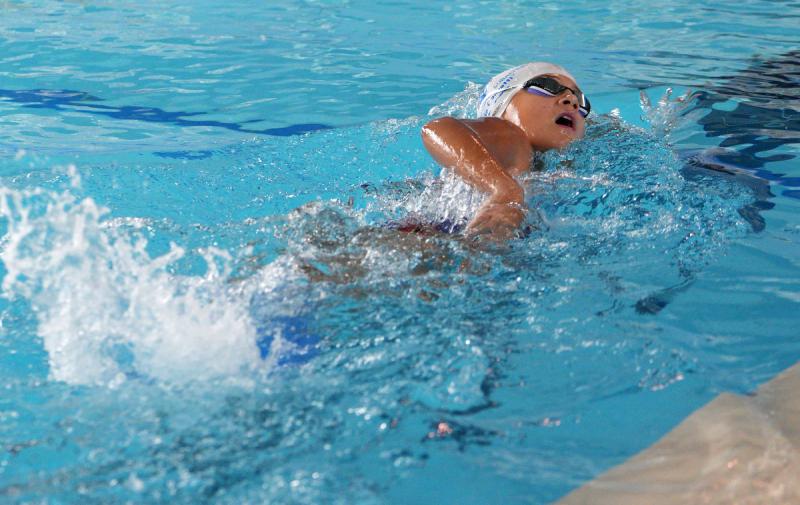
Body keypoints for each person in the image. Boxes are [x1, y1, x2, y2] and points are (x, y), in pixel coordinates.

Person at [421, 62, 590, 241]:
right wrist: (505, 190)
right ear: (502, 105)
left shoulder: (544, 167)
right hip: (426, 238)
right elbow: (438, 129)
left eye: (581, 101)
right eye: (549, 86)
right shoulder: (512, 135)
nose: (572, 100)